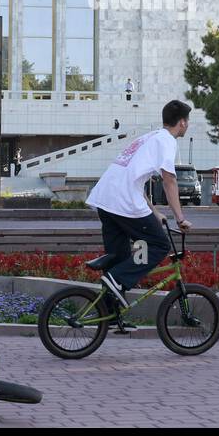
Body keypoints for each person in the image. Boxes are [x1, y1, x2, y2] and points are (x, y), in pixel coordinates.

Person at [85, 100, 193, 327]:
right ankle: (115, 279)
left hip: (106, 198)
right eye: (187, 122)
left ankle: (110, 315)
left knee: (120, 257)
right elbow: (169, 180)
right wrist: (180, 218)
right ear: (182, 122)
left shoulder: (148, 137)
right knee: (160, 245)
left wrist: (155, 213)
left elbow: (136, 180)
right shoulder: (167, 141)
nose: (187, 126)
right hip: (124, 201)